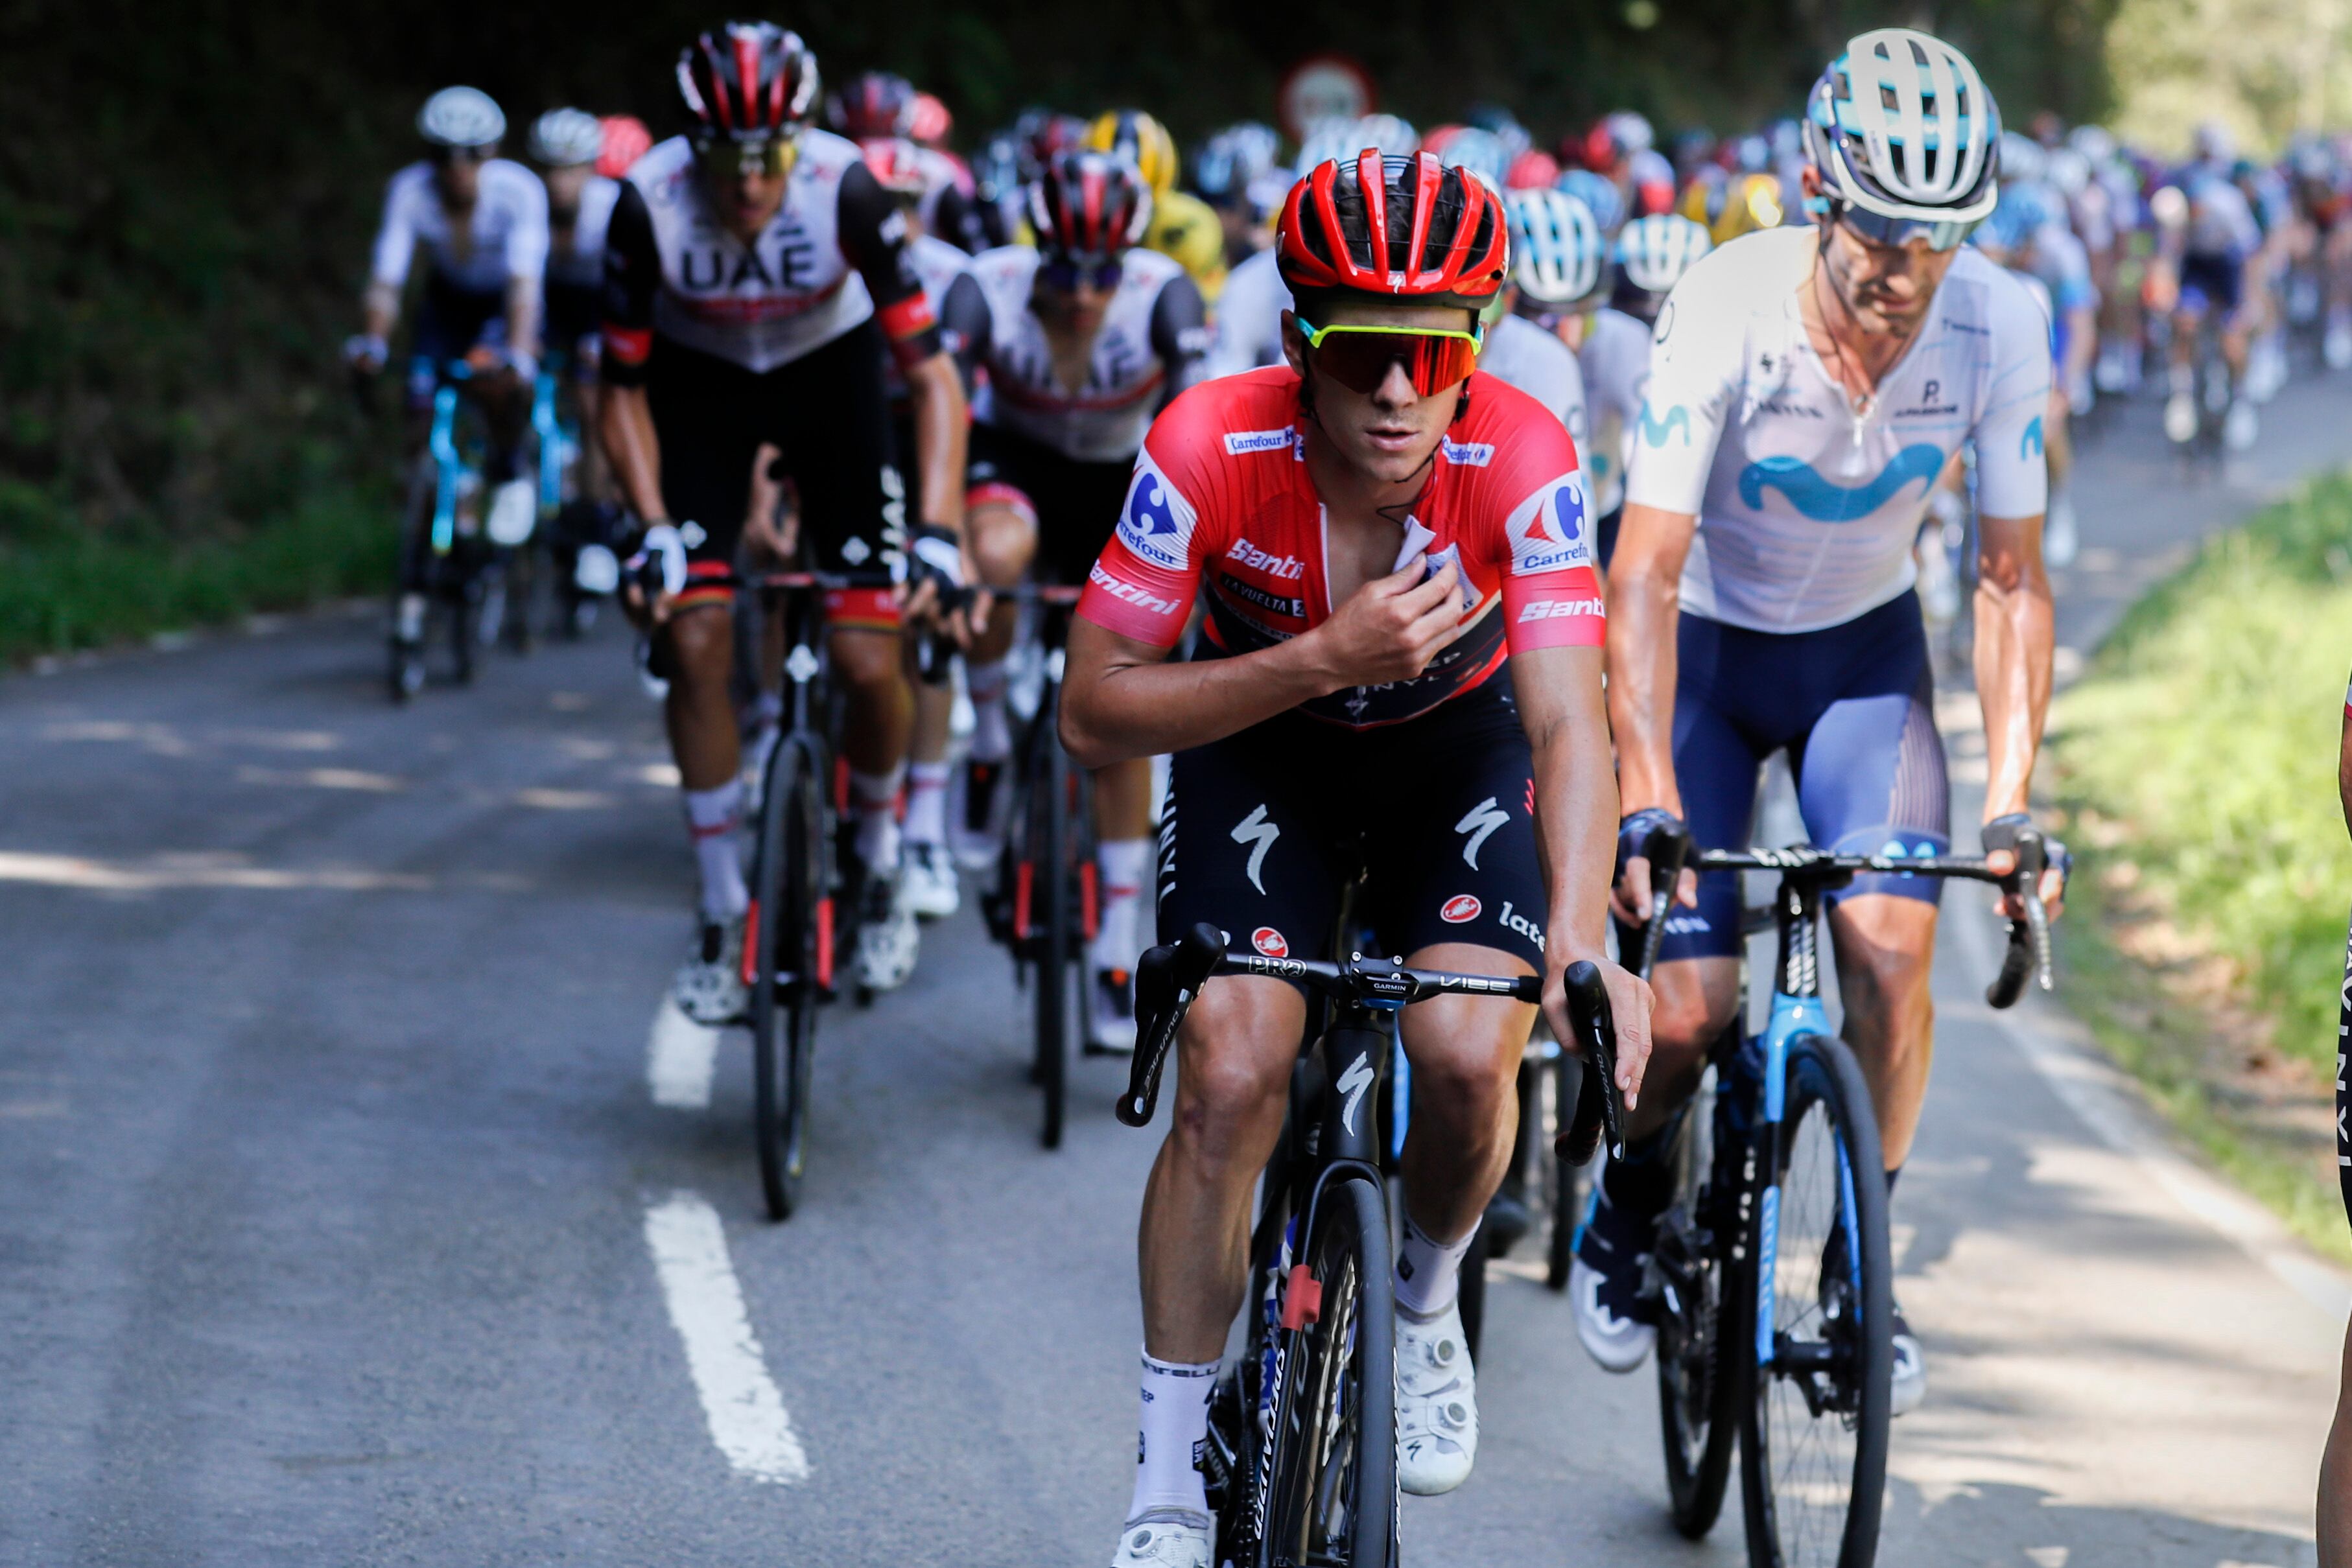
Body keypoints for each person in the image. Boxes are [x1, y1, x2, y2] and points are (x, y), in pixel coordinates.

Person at [1059, 146, 1651, 1567]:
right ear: (1294, 347)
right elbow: (1092, 709)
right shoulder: (1209, 442)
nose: (1395, 391)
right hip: (1266, 742)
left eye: (1432, 352)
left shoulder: (1519, 453)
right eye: (1361, 350)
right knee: (1231, 1074)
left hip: (1459, 754)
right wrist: (1322, 656)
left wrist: (1580, 948)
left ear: (1476, 350)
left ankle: (1428, 1293)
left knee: (1464, 1057)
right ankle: (1157, 1482)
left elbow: (1568, 722)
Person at [1588, 27, 2067, 1420]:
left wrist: (2011, 799)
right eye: (1871, 225)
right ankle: (1624, 1203)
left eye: (1934, 236)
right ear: (1814, 187)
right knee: (1683, 1014)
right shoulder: (1721, 302)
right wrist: (1638, 790)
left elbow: (2007, 576)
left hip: (1862, 661)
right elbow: (1642, 573)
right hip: (1708, 661)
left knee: (1893, 955)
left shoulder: (2001, 323)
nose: (1897, 267)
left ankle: (1865, 1265)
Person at [598, 22, 973, 1022]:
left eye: (771, 157)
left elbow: (931, 379)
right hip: (702, 391)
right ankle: (723, 913)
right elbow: (621, 386)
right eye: (729, 158)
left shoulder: (845, 188)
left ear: (799, 145)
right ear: (696, 151)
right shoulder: (648, 203)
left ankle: (883, 854)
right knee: (694, 631)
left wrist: (936, 528)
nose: (751, 183)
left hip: (830, 386)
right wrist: (646, 523)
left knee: (866, 657)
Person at [954, 149, 1207, 1050]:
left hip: (1121, 478)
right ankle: (986, 744)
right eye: (1065, 271)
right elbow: (939, 396)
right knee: (994, 555)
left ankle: (1111, 951)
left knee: (1127, 702)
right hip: (1017, 464)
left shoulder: (1163, 293)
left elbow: (1195, 419)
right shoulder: (990, 284)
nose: (1083, 295)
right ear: (1037, 253)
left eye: (1102, 273)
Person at [350, 86, 548, 666]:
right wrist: (373, 342)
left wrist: (517, 354)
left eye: (470, 155)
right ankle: (433, 501)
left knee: (497, 382)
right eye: (444, 155)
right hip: (444, 305)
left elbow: (525, 285)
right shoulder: (410, 192)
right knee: (420, 412)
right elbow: (387, 277)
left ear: (490, 154)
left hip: (497, 307)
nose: (457, 169)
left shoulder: (518, 191)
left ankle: (508, 468)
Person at [862, 136, 992, 920]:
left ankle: (924, 830)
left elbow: (962, 409)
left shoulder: (955, 277)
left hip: (933, 441)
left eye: (909, 205)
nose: (896, 222)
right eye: (883, 205)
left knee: (933, 607)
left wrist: (949, 534)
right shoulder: (831, 269)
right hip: (853, 435)